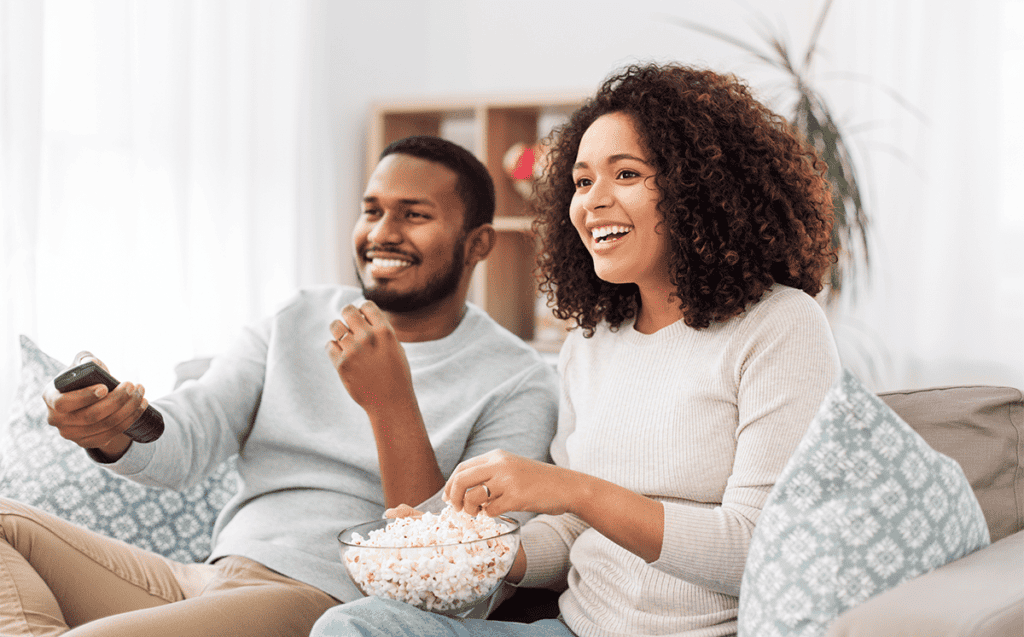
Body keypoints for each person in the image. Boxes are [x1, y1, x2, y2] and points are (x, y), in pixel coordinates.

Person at [311, 62, 843, 637]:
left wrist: (574, 491)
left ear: (701, 189)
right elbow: (569, 538)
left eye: (628, 174)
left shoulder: (780, 326)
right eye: (583, 181)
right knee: (355, 627)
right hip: (571, 630)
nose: (593, 202)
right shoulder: (591, 343)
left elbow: (762, 550)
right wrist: (468, 547)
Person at [0, 136, 559, 637]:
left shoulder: (518, 380)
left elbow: (456, 577)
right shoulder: (298, 318)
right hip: (208, 579)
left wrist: (390, 405)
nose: (382, 233)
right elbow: (189, 436)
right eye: (372, 210)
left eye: (414, 215)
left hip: (324, 603)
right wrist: (113, 427)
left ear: (478, 244)